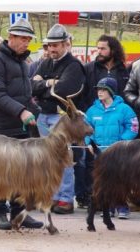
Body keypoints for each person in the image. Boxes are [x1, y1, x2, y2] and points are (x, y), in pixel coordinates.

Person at [0, 18, 43, 230]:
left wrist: (34, 109)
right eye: (23, 39)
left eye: (28, 39)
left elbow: (25, 93)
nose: (27, 43)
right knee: (1, 172)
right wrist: (22, 111)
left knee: (22, 172)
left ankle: (19, 214)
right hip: (1, 126)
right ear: (11, 37)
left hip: (20, 126)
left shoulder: (22, 62)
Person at [31, 24, 85, 214]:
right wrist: (49, 83)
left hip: (62, 119)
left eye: (56, 45)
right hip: (44, 116)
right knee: (47, 160)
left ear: (66, 44)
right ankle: (53, 196)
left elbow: (62, 90)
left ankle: (65, 199)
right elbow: (31, 86)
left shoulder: (74, 65)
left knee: (64, 158)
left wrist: (42, 84)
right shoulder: (45, 62)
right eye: (49, 45)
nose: (52, 49)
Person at [85, 77, 138, 219]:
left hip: (120, 154)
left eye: (103, 89)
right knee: (104, 181)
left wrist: (122, 143)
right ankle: (107, 208)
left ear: (111, 91)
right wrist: (88, 142)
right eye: (98, 89)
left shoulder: (125, 109)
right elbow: (85, 129)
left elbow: (133, 127)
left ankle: (122, 207)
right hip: (100, 153)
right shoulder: (92, 110)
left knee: (121, 180)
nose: (99, 92)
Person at [84, 35, 129, 109]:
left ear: (113, 50)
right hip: (94, 115)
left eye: (103, 49)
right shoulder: (88, 68)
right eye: (98, 48)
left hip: (117, 114)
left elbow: (126, 94)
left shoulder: (124, 70)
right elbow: (83, 94)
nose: (99, 51)